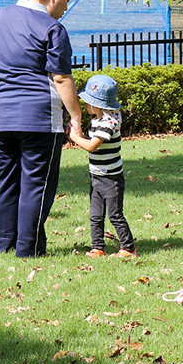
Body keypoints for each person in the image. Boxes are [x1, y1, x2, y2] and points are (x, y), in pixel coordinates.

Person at [0, 0, 83, 258]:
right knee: (37, 184)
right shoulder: (52, 28)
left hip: (1, 116)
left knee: (7, 179)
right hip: (39, 118)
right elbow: (61, 78)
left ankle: (4, 245)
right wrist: (75, 116)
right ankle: (29, 248)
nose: (65, 7)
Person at [68, 74, 137, 258]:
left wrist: (74, 138)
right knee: (96, 215)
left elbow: (92, 146)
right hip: (96, 176)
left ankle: (129, 248)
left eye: (87, 102)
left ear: (97, 104)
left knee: (114, 214)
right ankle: (97, 247)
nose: (85, 105)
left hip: (111, 178)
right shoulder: (100, 119)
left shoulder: (108, 123)